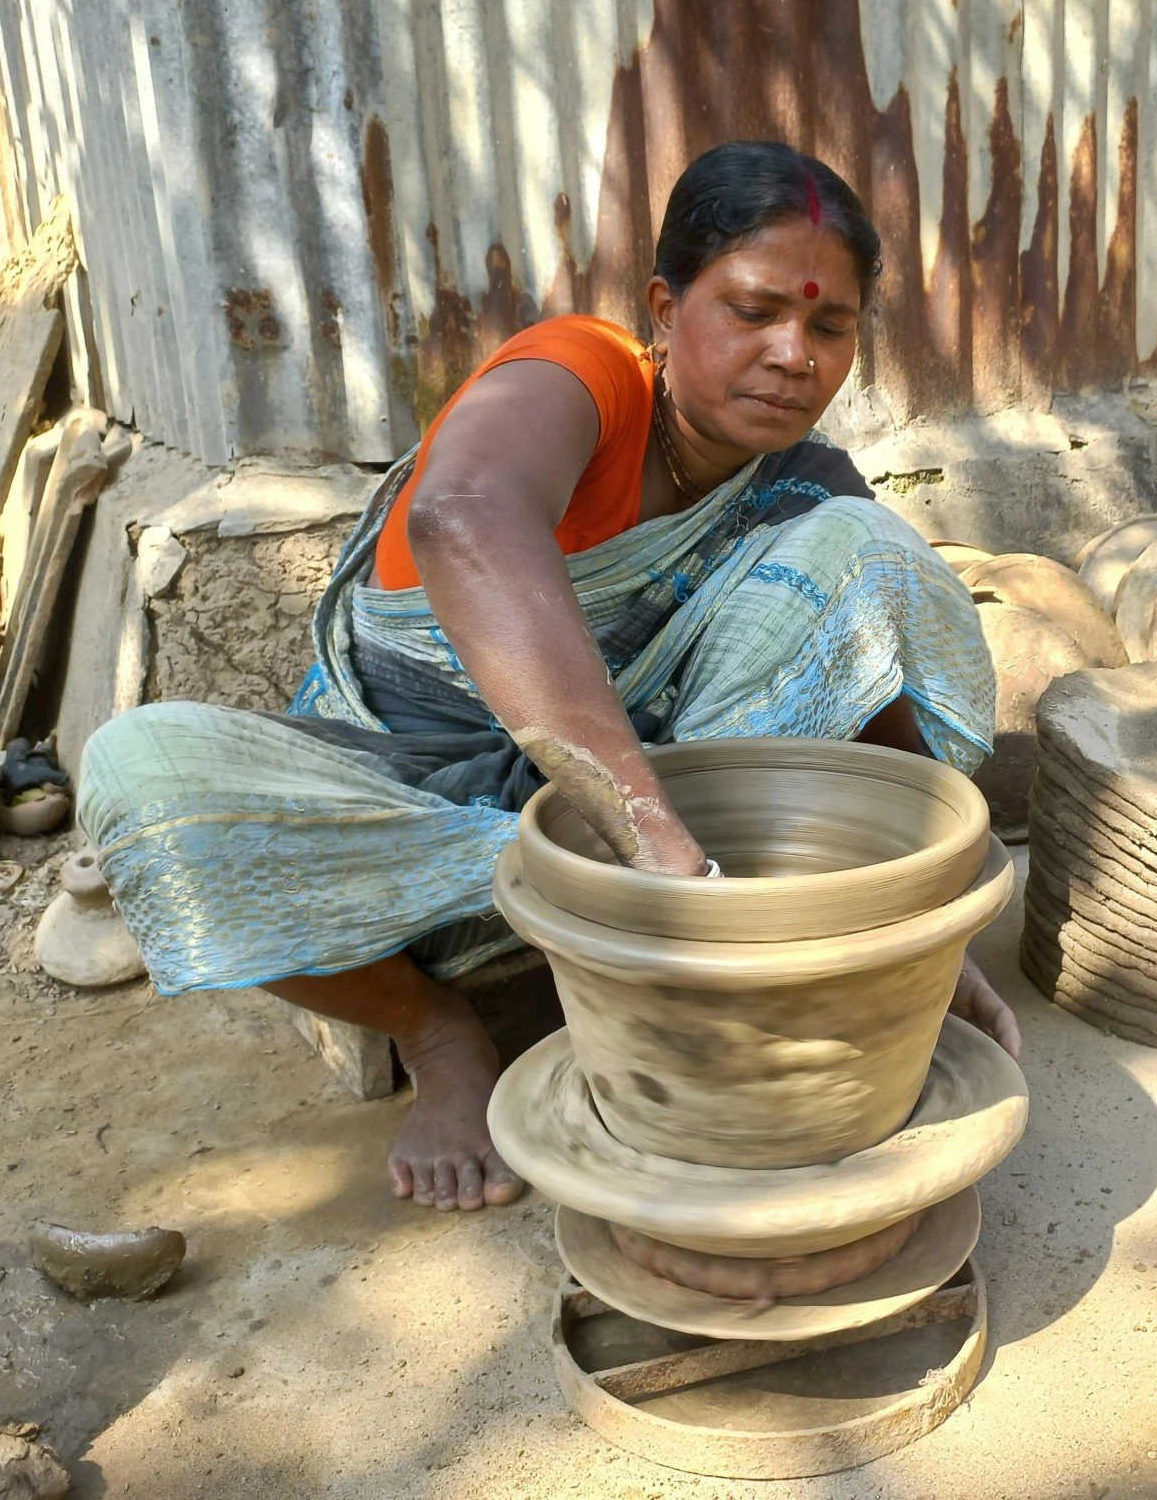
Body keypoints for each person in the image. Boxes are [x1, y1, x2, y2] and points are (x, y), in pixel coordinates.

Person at [76, 140, 1014, 1213]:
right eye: (752, 312)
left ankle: (689, 931)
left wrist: (917, 934)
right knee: (142, 784)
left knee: (873, 550)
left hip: (660, 832)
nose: (793, 353)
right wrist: (651, 837)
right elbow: (463, 513)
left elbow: (875, 698)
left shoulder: (801, 491)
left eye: (827, 325)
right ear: (665, 309)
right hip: (436, 804)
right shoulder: (580, 373)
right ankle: (437, 1030)